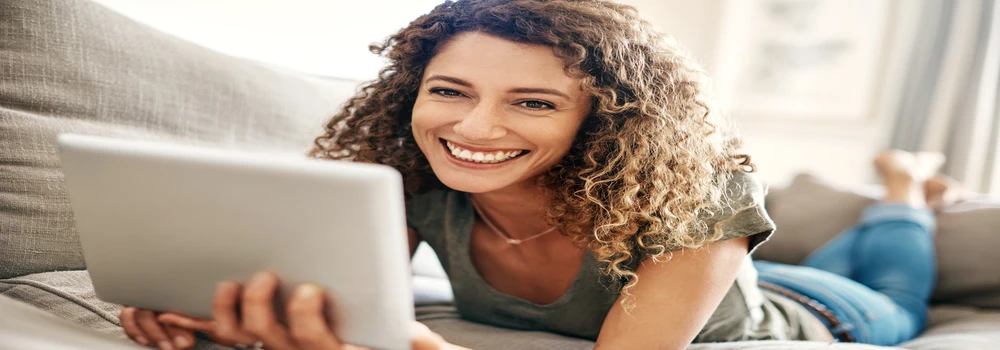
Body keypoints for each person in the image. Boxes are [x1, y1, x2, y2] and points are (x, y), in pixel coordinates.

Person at [117, 1, 961, 349]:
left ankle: (905, 191)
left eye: (531, 103)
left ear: (600, 115)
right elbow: (324, 297)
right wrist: (218, 313)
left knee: (893, 285)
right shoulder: (401, 178)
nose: (474, 128)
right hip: (713, 278)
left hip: (817, 314)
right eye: (449, 91)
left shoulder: (700, 193)